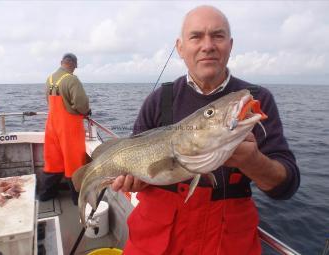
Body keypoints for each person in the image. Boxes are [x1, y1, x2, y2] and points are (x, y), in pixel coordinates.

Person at [111, 5, 300, 255]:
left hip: (227, 242)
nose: (208, 45)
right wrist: (133, 181)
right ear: (180, 47)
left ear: (230, 45)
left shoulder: (255, 100)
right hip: (155, 242)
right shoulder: (158, 100)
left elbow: (287, 186)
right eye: (196, 36)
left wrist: (254, 162)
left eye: (218, 36)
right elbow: (139, 171)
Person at [39, 53, 90, 205]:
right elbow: (81, 105)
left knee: (53, 162)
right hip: (69, 129)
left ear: (62, 62)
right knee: (74, 163)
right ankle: (77, 199)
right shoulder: (72, 79)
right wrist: (86, 111)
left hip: (52, 126)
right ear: (74, 64)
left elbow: (47, 100)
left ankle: (46, 194)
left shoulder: (49, 79)